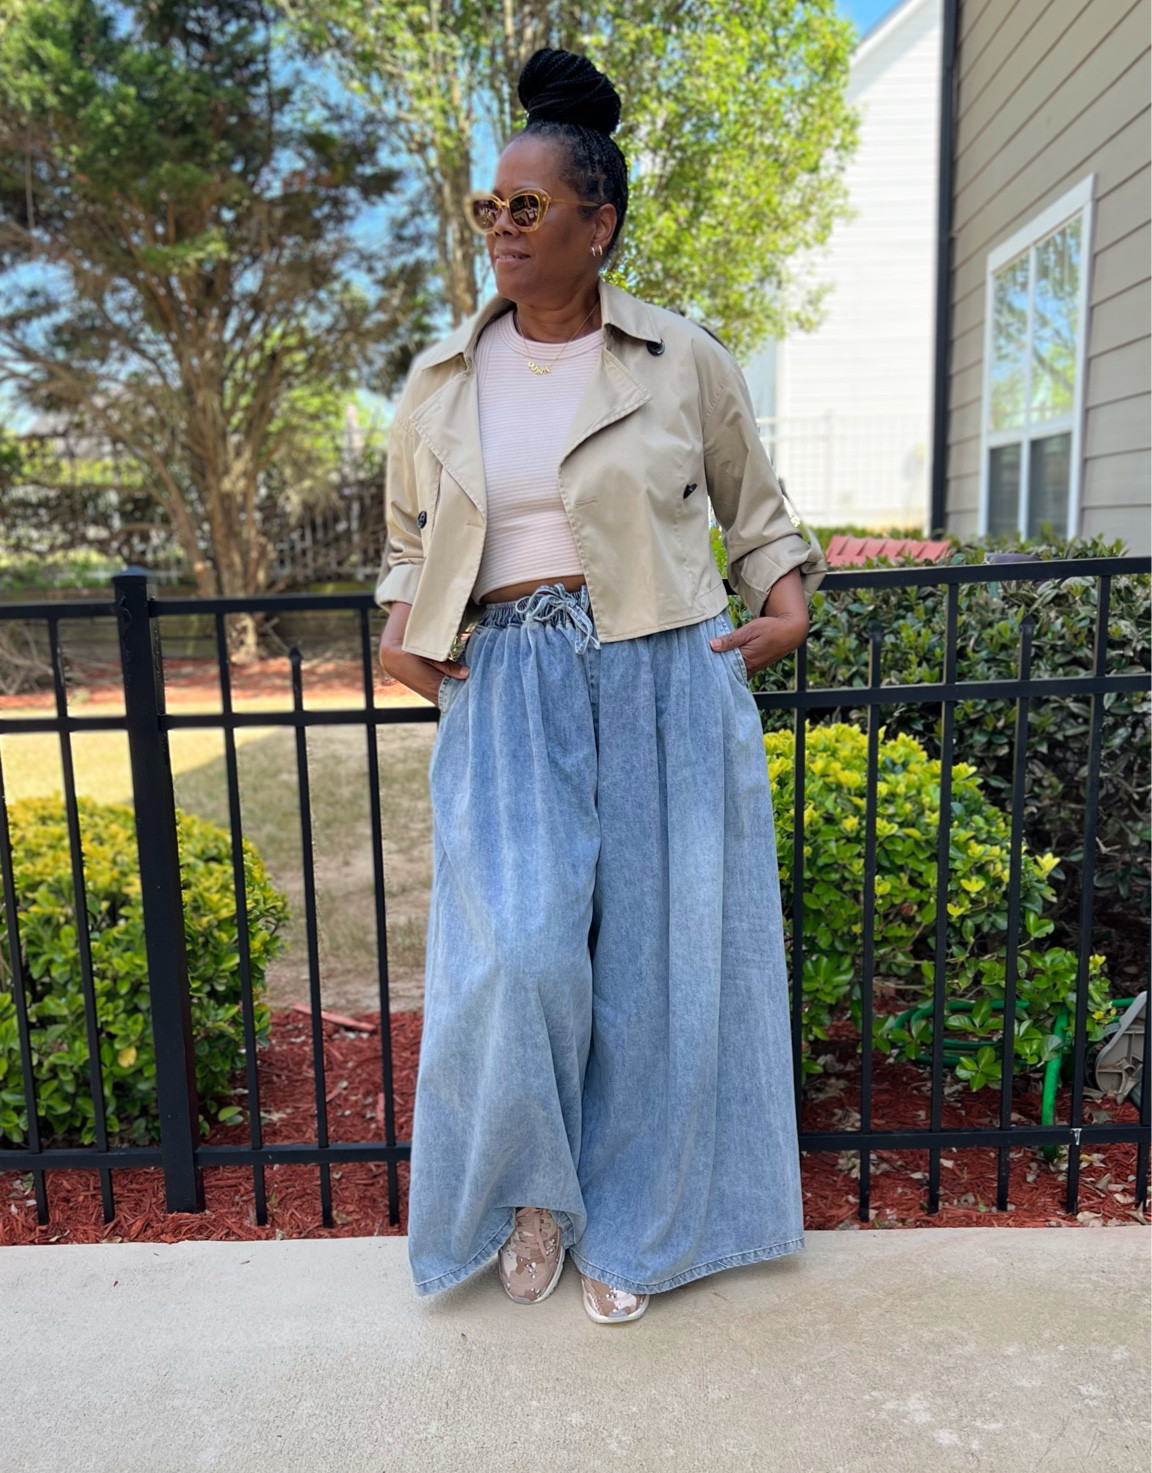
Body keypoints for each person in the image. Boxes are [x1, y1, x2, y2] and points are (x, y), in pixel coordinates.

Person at [376, 47, 826, 1325]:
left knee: (654, 969)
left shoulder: (681, 358)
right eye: (489, 207)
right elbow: (408, 539)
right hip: (507, 679)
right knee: (517, 958)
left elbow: (754, 506)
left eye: (528, 206)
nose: (502, 229)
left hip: (660, 667)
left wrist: (785, 598)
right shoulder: (440, 381)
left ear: (599, 222)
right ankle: (532, 1195)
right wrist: (400, 625)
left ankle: (635, 1222)